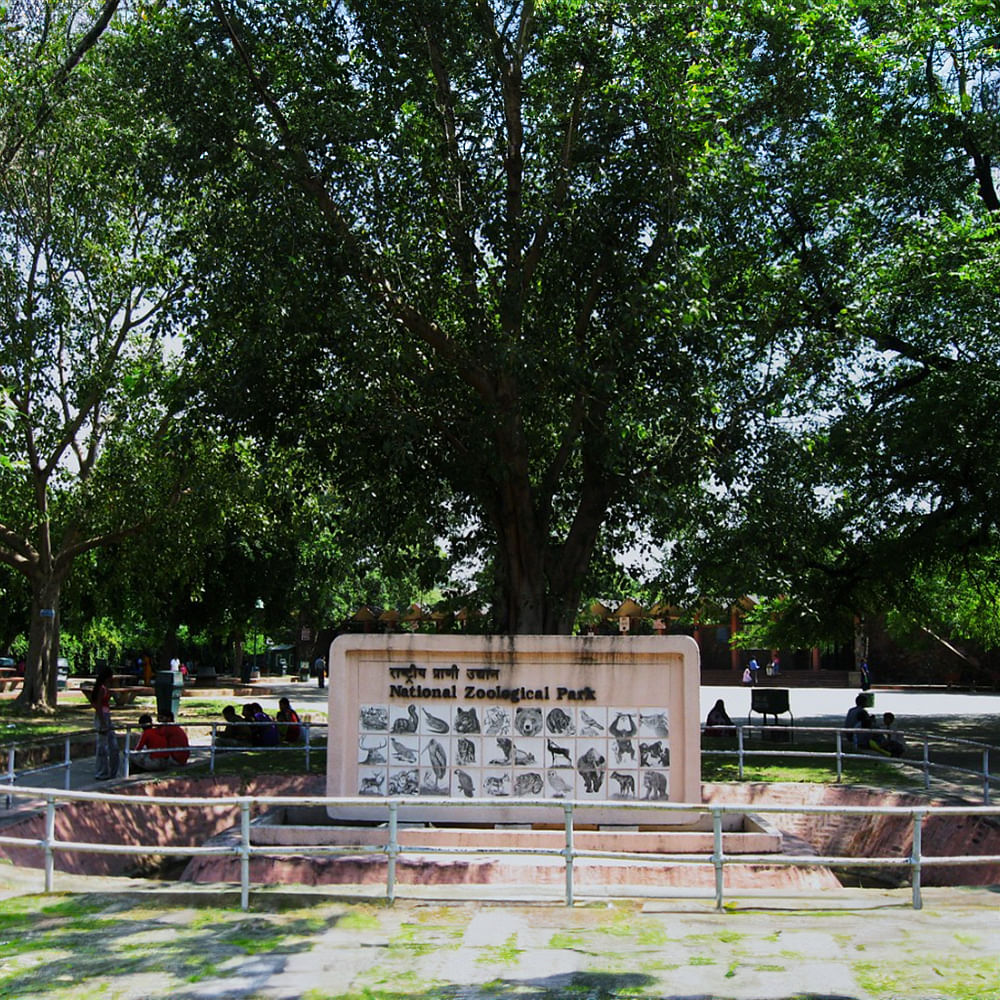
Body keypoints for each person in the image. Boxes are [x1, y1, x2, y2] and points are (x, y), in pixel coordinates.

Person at [89, 666, 119, 780]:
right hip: (103, 716)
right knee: (102, 746)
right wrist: (102, 722)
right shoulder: (101, 688)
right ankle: (101, 772)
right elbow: (98, 705)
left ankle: (112, 771)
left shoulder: (106, 687)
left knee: (113, 746)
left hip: (107, 715)